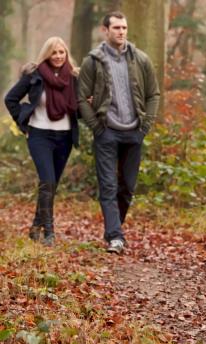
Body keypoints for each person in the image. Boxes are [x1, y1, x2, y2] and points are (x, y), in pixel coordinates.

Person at [78, 11, 160, 254]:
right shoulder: (92, 61)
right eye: (116, 28)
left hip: (134, 131)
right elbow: (81, 97)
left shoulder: (141, 59)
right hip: (107, 132)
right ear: (105, 30)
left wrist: (146, 125)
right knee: (108, 186)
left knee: (128, 187)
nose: (121, 32)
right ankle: (115, 236)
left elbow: (153, 94)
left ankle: (114, 230)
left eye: (124, 27)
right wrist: (96, 126)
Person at [4, 36, 80, 246]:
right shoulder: (35, 75)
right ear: (47, 54)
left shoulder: (73, 77)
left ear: (66, 54)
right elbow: (11, 99)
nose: (58, 56)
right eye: (53, 52)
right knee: (47, 181)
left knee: (51, 185)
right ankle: (49, 232)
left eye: (61, 52)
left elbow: (77, 109)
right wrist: (23, 124)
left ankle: (35, 227)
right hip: (39, 136)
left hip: (64, 137)